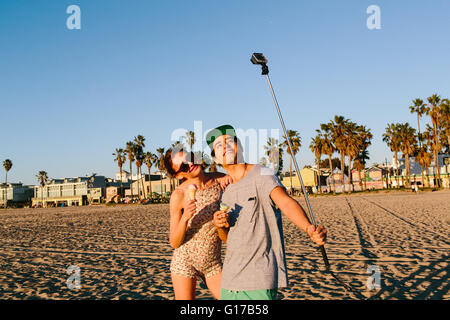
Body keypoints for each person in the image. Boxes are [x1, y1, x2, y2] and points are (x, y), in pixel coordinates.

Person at [207, 125, 327, 300]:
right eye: (218, 145)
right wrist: (219, 226)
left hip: (258, 278)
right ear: (216, 159)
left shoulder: (262, 173)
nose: (225, 146)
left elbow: (285, 202)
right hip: (229, 281)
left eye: (229, 141)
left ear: (239, 147)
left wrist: (308, 228)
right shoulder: (226, 190)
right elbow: (227, 238)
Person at [164, 148, 231, 300]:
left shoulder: (219, 180)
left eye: (189, 157)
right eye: (183, 166)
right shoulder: (179, 195)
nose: (190, 164)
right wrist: (185, 217)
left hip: (212, 262)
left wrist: (230, 178)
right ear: (179, 175)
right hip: (185, 262)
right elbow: (174, 242)